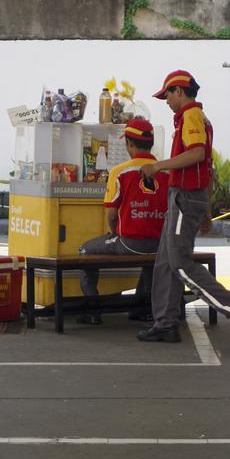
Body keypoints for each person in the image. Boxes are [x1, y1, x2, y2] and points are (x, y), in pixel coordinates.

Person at [137, 70, 230, 343]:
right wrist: (207, 209)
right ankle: (165, 323)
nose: (166, 101)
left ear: (179, 91)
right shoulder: (196, 118)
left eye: (167, 95)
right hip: (187, 196)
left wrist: (158, 166)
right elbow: (207, 166)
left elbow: (198, 153)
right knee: (166, 261)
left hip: (184, 197)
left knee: (179, 262)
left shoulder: (190, 115)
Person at [78, 118, 169, 325]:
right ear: (151, 143)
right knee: (150, 260)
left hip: (129, 244)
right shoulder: (166, 170)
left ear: (129, 143)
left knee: (85, 250)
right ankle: (143, 307)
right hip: (160, 244)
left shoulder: (120, 172)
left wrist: (115, 234)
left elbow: (111, 215)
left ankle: (92, 309)